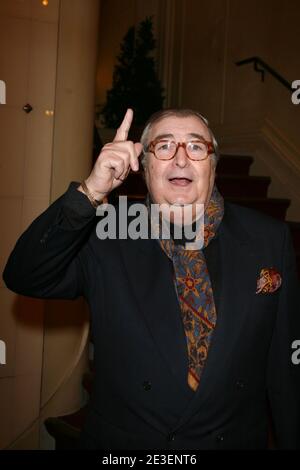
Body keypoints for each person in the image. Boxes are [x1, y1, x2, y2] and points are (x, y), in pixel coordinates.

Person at [3, 108, 300, 450]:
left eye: (196, 146)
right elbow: (24, 275)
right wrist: (91, 191)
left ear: (213, 166)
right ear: (143, 168)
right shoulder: (105, 234)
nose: (180, 158)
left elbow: (285, 373)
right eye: (164, 146)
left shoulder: (267, 239)